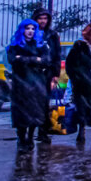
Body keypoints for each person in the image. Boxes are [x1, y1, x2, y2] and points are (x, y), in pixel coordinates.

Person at [7, 19, 51, 150]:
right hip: (20, 84)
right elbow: (13, 60)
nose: (30, 31)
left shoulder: (40, 45)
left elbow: (46, 61)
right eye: (27, 29)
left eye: (33, 29)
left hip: (36, 83)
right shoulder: (15, 46)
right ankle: (21, 138)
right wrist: (34, 59)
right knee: (21, 113)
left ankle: (30, 137)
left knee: (35, 112)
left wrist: (24, 59)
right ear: (22, 30)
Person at [31, 8, 62, 145]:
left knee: (44, 105)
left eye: (45, 18)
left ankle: (43, 132)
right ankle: (29, 133)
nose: (43, 21)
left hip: (47, 74)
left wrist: (55, 74)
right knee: (32, 104)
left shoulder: (52, 35)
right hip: (32, 74)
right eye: (40, 18)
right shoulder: (30, 32)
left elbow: (56, 55)